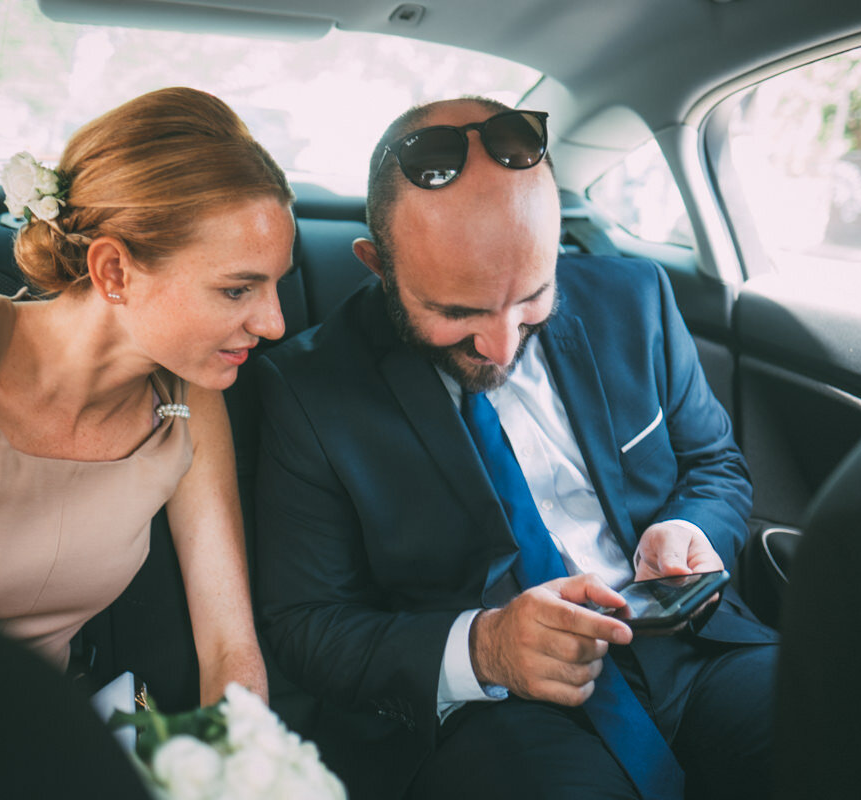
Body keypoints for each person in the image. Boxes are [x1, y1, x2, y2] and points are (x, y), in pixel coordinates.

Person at [255, 97, 778, 800]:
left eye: (532, 297)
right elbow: (306, 623)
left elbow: (715, 465)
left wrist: (689, 529)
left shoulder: (637, 300)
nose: (501, 347)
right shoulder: (307, 389)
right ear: (377, 265)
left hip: (692, 651)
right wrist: (486, 648)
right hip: (491, 712)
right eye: (457, 311)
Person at [0, 87, 295, 705]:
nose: (274, 324)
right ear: (113, 271)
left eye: (278, 284)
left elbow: (230, 647)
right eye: (236, 291)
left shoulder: (188, 399)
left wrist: (245, 770)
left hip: (48, 735)